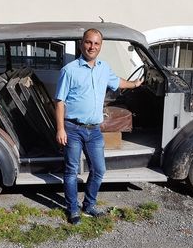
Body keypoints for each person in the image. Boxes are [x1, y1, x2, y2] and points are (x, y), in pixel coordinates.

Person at [54, 28, 144, 225]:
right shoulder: (69, 71)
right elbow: (59, 102)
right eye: (88, 42)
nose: (92, 47)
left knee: (99, 169)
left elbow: (117, 82)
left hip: (94, 130)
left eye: (96, 43)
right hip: (73, 129)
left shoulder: (104, 68)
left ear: (100, 46)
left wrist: (135, 84)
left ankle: (89, 205)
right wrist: (60, 129)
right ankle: (73, 209)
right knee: (71, 171)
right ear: (81, 44)